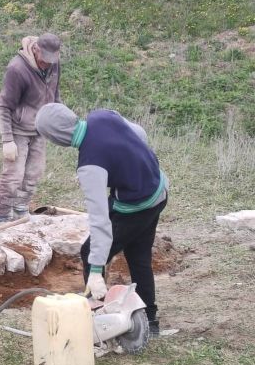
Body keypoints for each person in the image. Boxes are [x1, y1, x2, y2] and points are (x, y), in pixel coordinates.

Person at [34, 103, 169, 336]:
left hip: (137, 205)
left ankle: (101, 318)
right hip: (158, 190)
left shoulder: (90, 165)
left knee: (89, 251)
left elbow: (100, 219)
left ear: (55, 137)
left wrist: (96, 269)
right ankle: (149, 322)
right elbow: (139, 134)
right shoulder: (103, 116)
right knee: (138, 254)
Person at [0, 32, 62, 224]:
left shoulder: (54, 63)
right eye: (44, 60)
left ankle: (21, 209)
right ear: (36, 49)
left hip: (40, 129)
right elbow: (4, 106)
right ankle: (1, 216)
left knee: (34, 173)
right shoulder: (17, 69)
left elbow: (55, 94)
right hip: (17, 130)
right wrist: (7, 140)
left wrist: (57, 118)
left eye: (51, 61)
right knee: (13, 176)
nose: (47, 64)